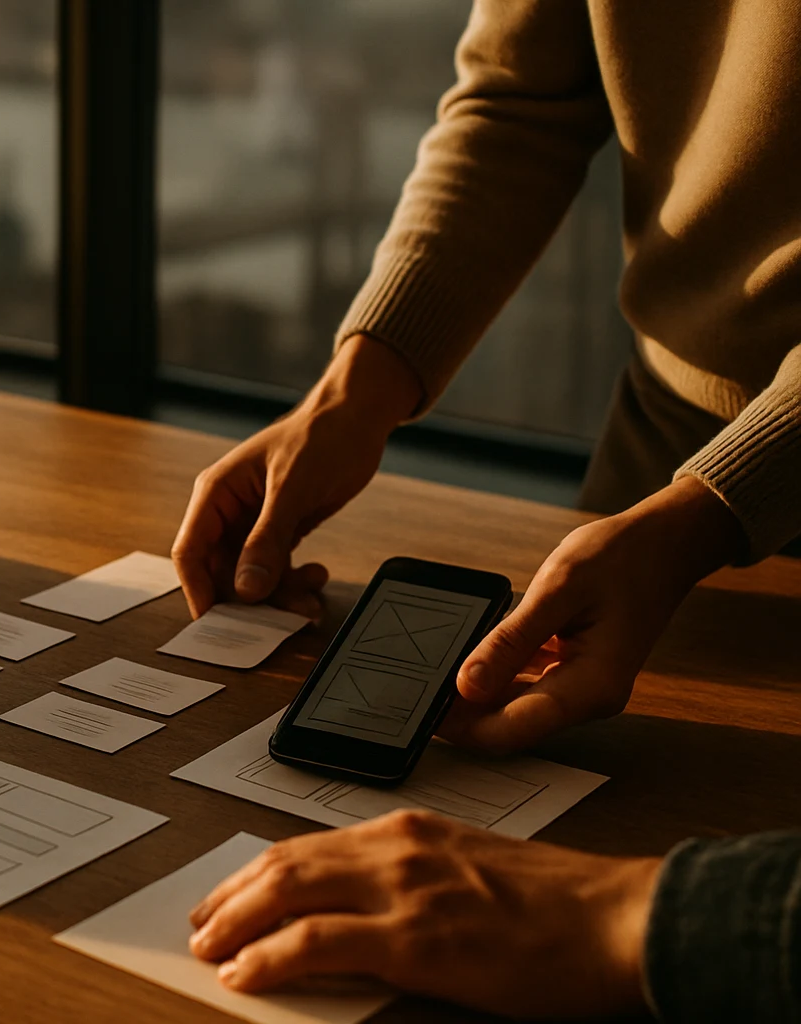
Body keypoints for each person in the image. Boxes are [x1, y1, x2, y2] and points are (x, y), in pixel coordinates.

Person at [173, 2, 800, 1019]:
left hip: (700, 497)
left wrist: (712, 506)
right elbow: (518, 98)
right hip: (662, 452)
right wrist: (355, 389)